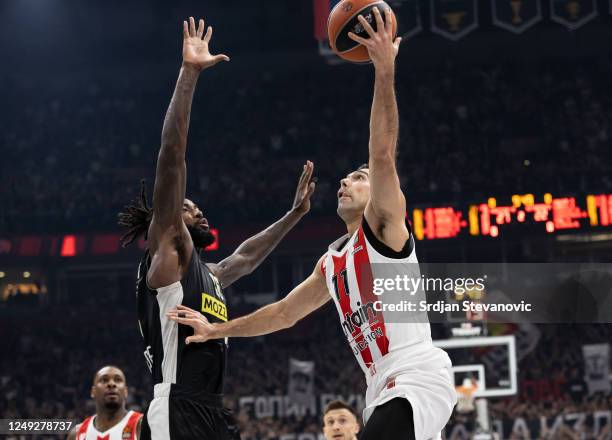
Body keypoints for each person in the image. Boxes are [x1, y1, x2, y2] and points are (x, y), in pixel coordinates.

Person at [166, 8, 455, 440]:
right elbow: (283, 313)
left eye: (357, 178)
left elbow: (381, 153)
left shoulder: (386, 229)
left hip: (417, 376)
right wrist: (216, 329)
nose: (345, 180)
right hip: (378, 387)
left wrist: (383, 70)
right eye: (346, 177)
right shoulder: (333, 262)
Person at [117, 16, 316, 440]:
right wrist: (189, 74)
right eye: (189, 208)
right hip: (175, 406)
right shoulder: (168, 249)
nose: (198, 211)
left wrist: (294, 214)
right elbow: (172, 154)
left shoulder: (206, 274)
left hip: (210, 410)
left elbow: (245, 258)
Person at [67, 366, 142, 440]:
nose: (111, 384)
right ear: (93, 391)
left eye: (118, 380)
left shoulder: (141, 424)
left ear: (126, 391)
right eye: (104, 380)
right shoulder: (77, 434)